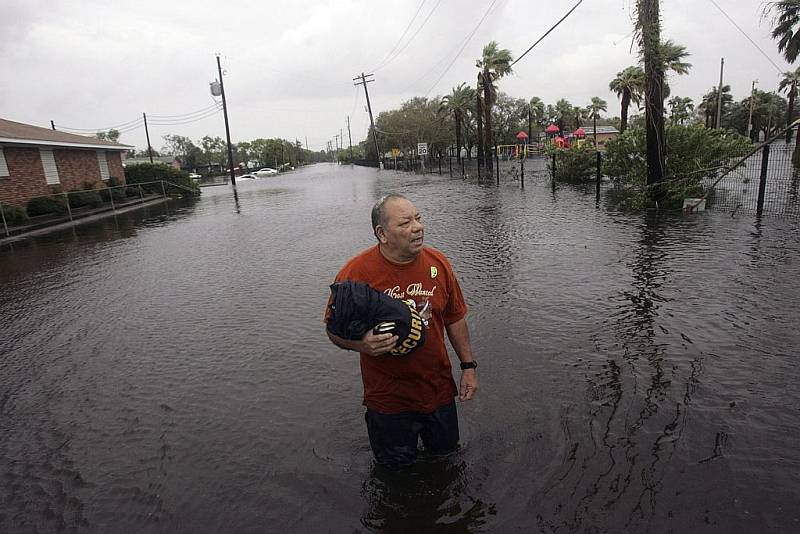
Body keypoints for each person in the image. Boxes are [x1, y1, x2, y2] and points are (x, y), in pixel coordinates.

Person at [325, 193, 478, 470]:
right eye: (405, 223)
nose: (418, 227)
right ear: (382, 234)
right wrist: (363, 345)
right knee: (395, 475)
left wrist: (468, 366)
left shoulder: (438, 263)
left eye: (418, 218)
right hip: (388, 401)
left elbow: (455, 318)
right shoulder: (355, 273)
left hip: (438, 391)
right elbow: (332, 330)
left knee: (447, 463)